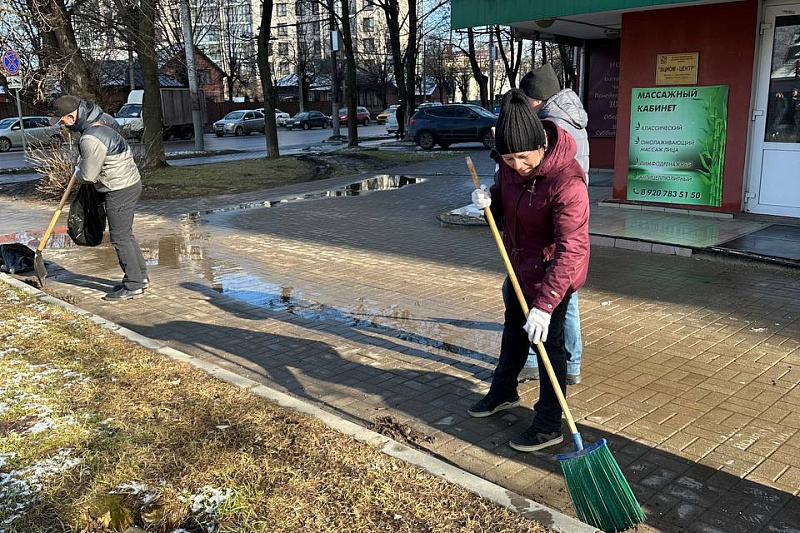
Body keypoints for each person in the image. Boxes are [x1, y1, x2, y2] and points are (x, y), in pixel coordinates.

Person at [468, 88, 590, 452]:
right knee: (513, 333)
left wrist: (545, 304)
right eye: (508, 158)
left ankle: (550, 424)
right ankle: (504, 392)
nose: (517, 165)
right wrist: (490, 201)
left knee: (550, 348)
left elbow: (572, 248)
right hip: (519, 266)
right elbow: (507, 207)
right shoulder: (509, 170)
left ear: (541, 145)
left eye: (523, 157)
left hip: (554, 275)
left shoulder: (567, 182)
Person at [515, 63, 589, 385]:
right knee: (567, 293)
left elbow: (545, 175)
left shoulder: (551, 125)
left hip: (554, 217)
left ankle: (538, 359)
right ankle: (572, 363)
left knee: (551, 294)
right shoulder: (573, 118)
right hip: (569, 212)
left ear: (536, 99)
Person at [53, 95, 148, 301]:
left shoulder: (90, 138)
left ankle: (133, 285)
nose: (63, 125)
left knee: (119, 237)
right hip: (130, 182)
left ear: (71, 117)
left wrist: (78, 170)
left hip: (119, 188)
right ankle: (140, 277)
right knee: (126, 234)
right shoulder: (103, 118)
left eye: (63, 120)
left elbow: (88, 176)